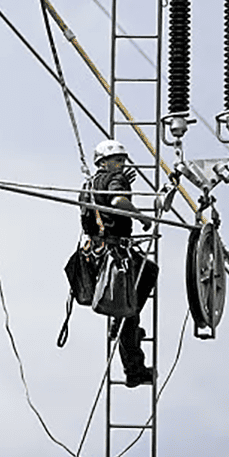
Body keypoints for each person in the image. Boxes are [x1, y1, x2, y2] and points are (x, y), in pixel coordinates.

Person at [82, 139, 157, 388]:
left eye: (123, 160)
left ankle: (132, 362)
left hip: (96, 253)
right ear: (103, 162)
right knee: (136, 296)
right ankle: (134, 369)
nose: (121, 164)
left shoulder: (89, 184)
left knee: (130, 306)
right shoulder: (116, 180)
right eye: (117, 160)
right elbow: (116, 202)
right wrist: (141, 217)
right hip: (115, 253)